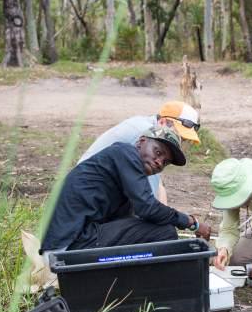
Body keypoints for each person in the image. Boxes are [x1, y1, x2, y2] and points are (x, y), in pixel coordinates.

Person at [40, 126, 211, 254]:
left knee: (157, 227)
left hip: (70, 240)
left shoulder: (125, 167)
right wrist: (192, 223)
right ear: (142, 141)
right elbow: (148, 208)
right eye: (158, 152)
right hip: (66, 244)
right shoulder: (126, 153)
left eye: (165, 163)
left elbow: (137, 215)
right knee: (165, 232)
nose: (160, 162)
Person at [78, 101, 202, 205]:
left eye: (184, 139)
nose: (178, 143)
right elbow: (149, 199)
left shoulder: (145, 122)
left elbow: (156, 183)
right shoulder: (147, 136)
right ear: (162, 122)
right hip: (87, 192)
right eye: (177, 134)